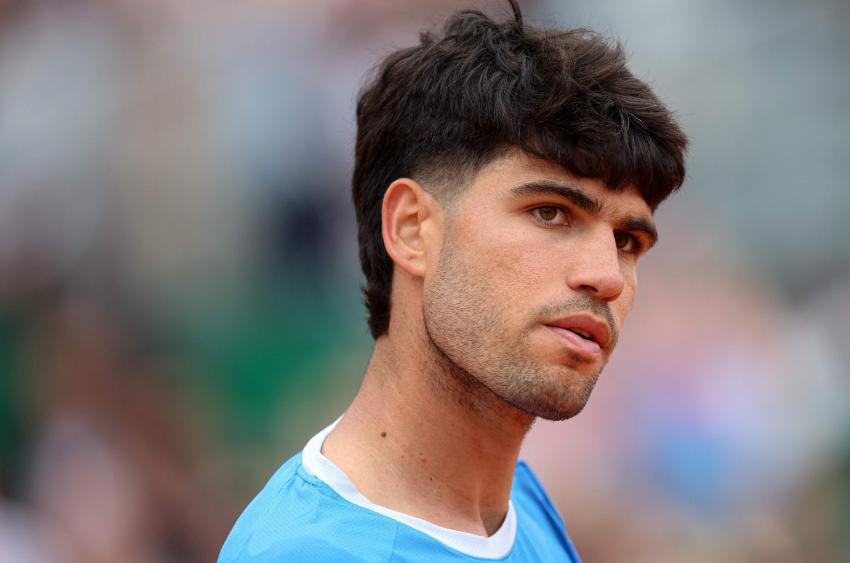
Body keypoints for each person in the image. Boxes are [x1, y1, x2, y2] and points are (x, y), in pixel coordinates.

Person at [219, 1, 687, 560]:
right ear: (412, 229)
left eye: (627, 241)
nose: (607, 276)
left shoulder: (521, 503)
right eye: (550, 212)